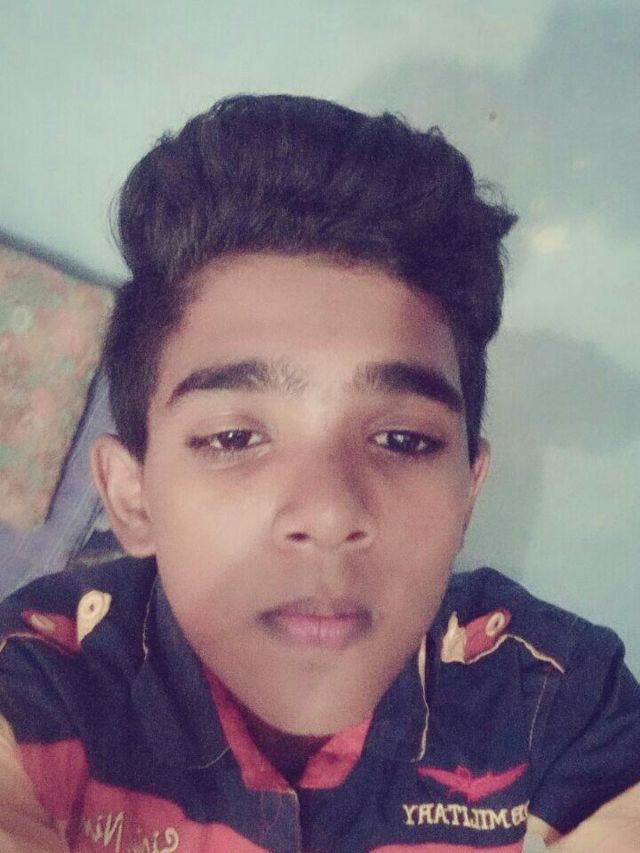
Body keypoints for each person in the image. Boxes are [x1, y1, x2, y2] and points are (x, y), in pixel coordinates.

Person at [0, 94, 638, 853]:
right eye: (235, 437)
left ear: (469, 489)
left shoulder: (559, 696)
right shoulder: (37, 687)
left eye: (401, 438)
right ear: (131, 496)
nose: (330, 511)